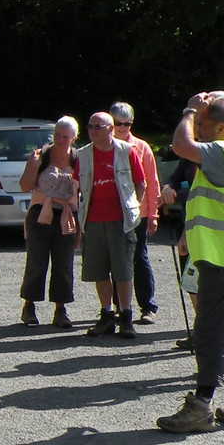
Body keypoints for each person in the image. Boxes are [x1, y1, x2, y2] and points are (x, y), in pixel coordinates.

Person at [156, 94, 224, 433]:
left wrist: (188, 109)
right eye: (196, 122)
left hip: (223, 258)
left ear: (220, 126)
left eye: (202, 124)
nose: (196, 129)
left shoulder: (223, 151)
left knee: (210, 330)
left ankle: (201, 406)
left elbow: (180, 144)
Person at [75, 112, 149, 339]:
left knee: (123, 270)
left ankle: (126, 316)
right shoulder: (83, 154)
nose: (93, 131)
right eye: (90, 127)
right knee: (99, 270)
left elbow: (141, 183)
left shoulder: (127, 152)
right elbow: (78, 186)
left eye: (98, 127)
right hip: (93, 220)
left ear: (110, 129)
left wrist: (133, 208)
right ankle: (107, 315)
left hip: (121, 221)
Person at [17, 117, 80, 329]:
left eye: (65, 137)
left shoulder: (78, 159)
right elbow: (25, 186)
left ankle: (61, 310)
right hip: (40, 214)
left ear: (74, 138)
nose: (61, 140)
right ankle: (29, 306)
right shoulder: (41, 156)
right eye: (57, 136)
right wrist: (33, 167)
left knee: (64, 265)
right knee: (36, 261)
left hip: (66, 216)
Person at [110, 102, 162, 323]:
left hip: (137, 213)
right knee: (115, 259)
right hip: (112, 211)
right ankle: (120, 306)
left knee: (139, 257)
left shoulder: (142, 147)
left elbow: (152, 182)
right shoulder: (104, 147)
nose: (122, 128)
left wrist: (153, 214)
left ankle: (147, 306)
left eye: (127, 124)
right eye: (118, 124)